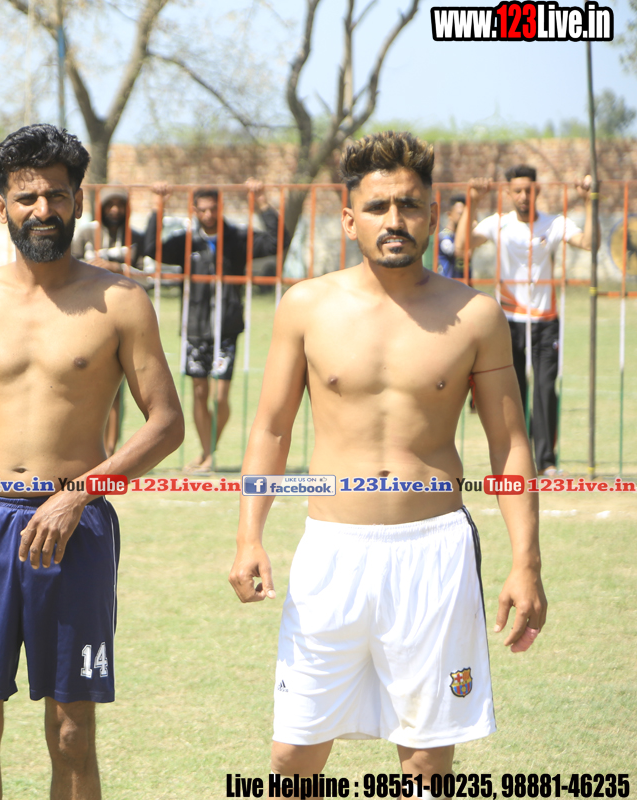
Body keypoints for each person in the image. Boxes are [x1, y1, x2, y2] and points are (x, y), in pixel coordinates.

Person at [229, 131, 547, 779]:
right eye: (377, 207)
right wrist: (248, 536)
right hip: (331, 553)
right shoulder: (306, 306)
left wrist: (526, 563)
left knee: (425, 761)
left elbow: (510, 445)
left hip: (433, 554)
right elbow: (271, 429)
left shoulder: (475, 315)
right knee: (292, 757)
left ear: (432, 214)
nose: (394, 220)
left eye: (409, 205)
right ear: (350, 219)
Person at [0, 124, 183, 800]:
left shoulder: (120, 301)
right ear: (2, 204)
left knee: (71, 732)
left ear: (78, 201)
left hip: (74, 529)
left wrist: (79, 493)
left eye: (56, 195)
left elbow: (167, 422)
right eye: (26, 197)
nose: (43, 210)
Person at [455, 165, 594, 475]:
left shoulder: (553, 223)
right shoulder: (498, 224)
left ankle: (546, 461)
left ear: (537, 191)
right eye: (517, 191)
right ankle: (517, 458)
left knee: (545, 389)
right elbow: (463, 247)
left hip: (545, 321)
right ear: (508, 193)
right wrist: (473, 201)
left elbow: (589, 243)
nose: (522, 196)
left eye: (528, 191)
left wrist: (589, 201)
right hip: (509, 321)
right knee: (513, 391)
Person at [145, 181, 288, 472]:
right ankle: (207, 454)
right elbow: (151, 249)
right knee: (199, 392)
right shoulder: (186, 242)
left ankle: (209, 449)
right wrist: (159, 206)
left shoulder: (237, 238)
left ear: (220, 208)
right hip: (195, 327)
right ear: (194, 210)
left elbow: (278, 241)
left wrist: (261, 201)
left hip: (227, 327)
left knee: (220, 397)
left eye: (213, 209)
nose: (208, 215)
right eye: (203, 210)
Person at [70, 188, 147, 455]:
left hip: (122, 316)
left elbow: (149, 274)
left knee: (115, 387)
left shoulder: (136, 238)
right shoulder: (85, 233)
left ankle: (110, 449)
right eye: (109, 204)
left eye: (120, 204)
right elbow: (67, 266)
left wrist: (117, 269)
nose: (115, 209)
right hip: (86, 314)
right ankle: (88, 445)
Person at [436, 193, 467, 279]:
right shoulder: (444, 236)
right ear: (449, 215)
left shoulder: (460, 235)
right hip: (446, 283)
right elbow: (459, 253)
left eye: (466, 215)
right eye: (460, 214)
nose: (464, 219)